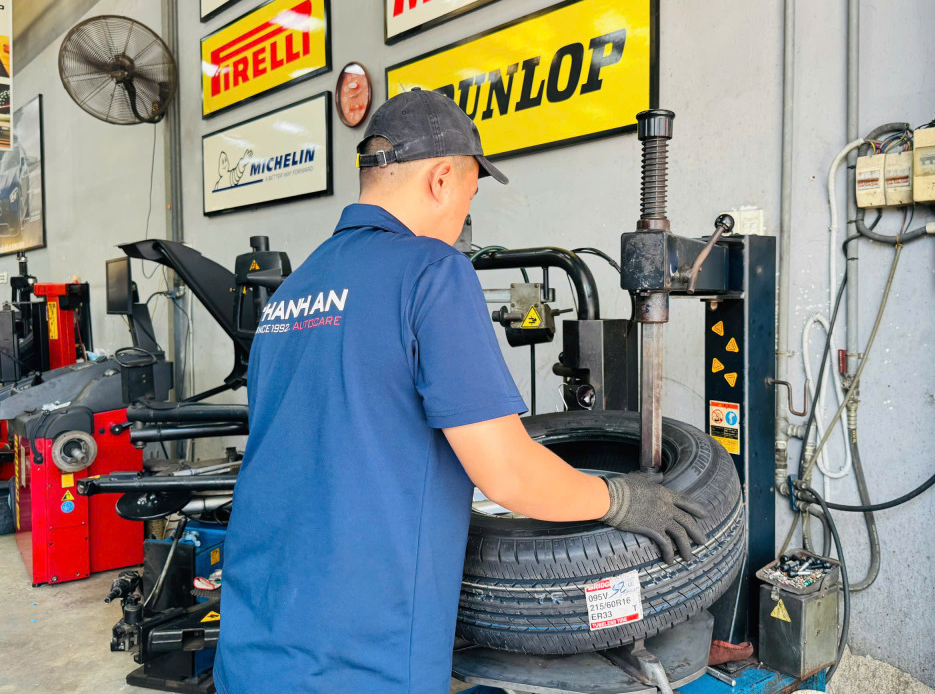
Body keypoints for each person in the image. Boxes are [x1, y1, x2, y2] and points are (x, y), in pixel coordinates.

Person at [214, 90, 707, 694]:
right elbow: (507, 474)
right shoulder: (431, 270)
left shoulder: (293, 292)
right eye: (471, 195)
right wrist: (621, 500)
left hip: (255, 633)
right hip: (359, 653)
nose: (464, 220)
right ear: (442, 179)